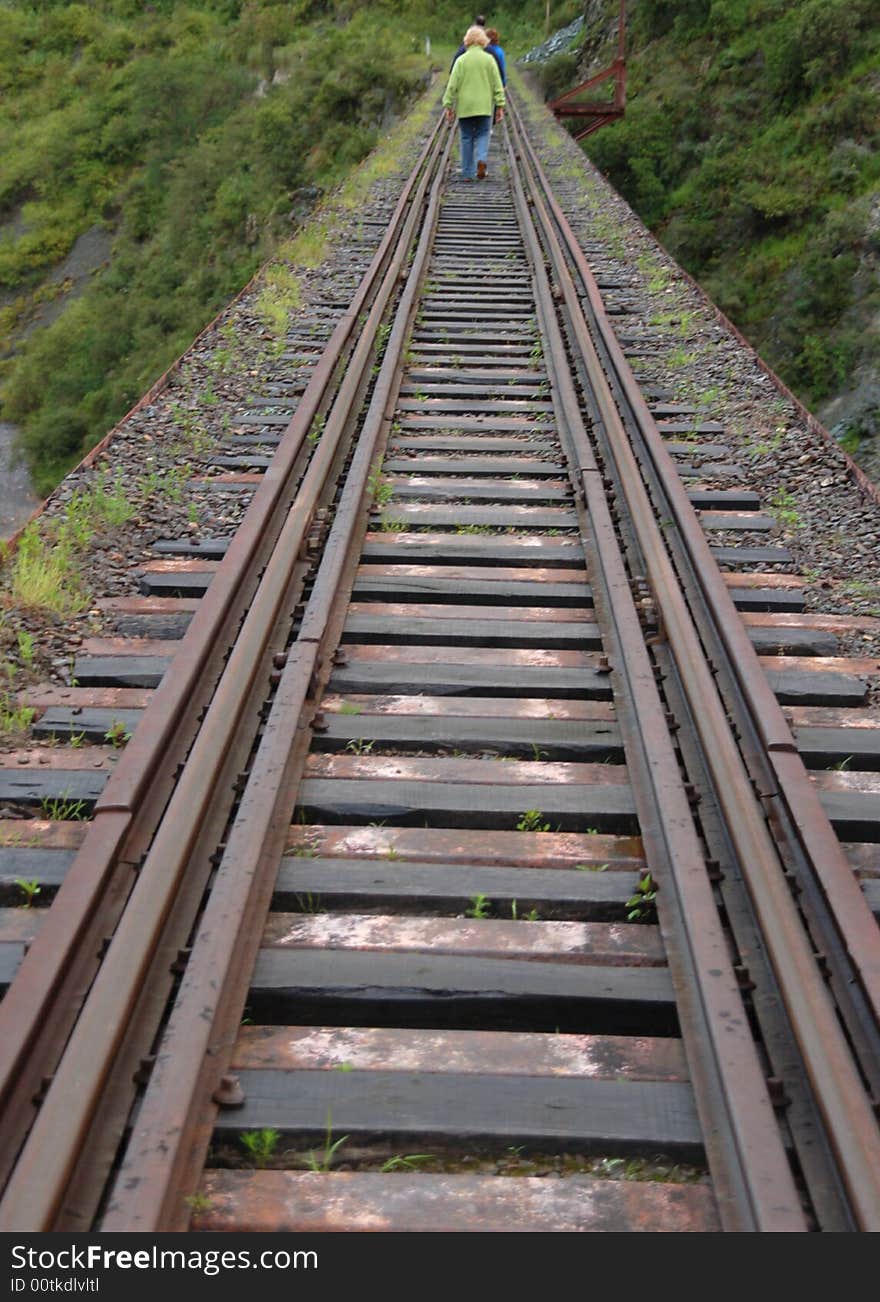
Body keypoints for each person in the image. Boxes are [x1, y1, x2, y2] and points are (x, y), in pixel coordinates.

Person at [442, 25, 505, 182]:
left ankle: (468, 172)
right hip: (484, 106)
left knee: (466, 137)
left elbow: (452, 85)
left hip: (466, 107)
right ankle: (481, 159)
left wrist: (448, 105)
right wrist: (500, 106)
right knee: (484, 134)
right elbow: (498, 85)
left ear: (467, 41)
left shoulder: (461, 61)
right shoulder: (489, 60)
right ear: (484, 41)